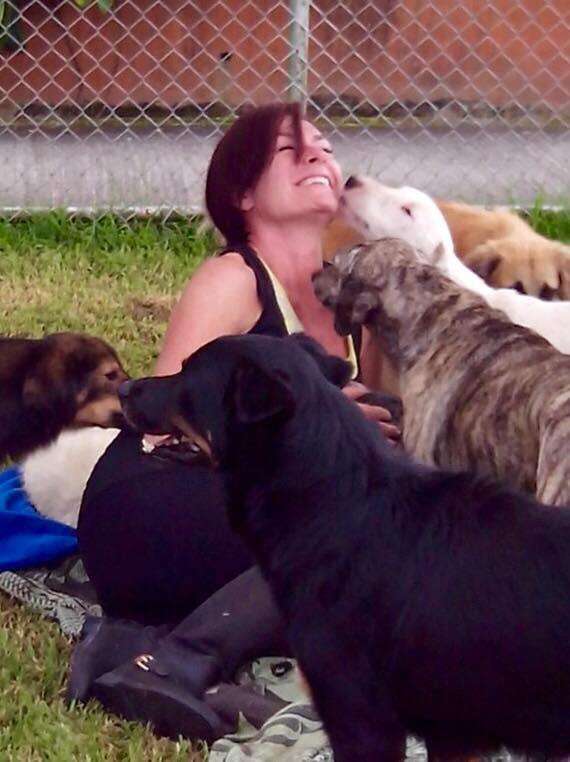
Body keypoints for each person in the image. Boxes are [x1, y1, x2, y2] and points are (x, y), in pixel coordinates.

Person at [72, 101, 400, 741]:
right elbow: (163, 424)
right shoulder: (236, 278)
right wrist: (318, 426)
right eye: (289, 150)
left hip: (236, 536)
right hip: (147, 507)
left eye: (326, 146)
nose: (317, 157)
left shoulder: (351, 300)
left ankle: (162, 658)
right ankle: (175, 663)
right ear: (241, 192)